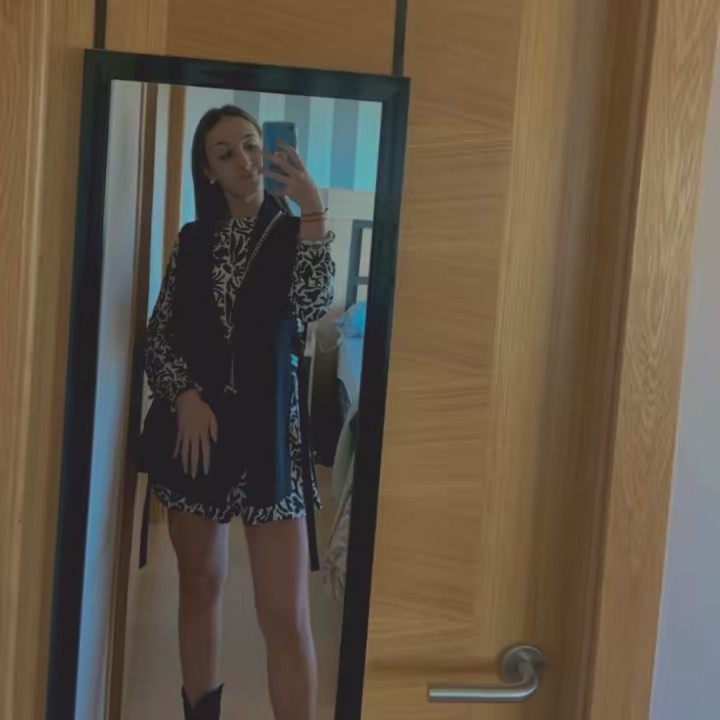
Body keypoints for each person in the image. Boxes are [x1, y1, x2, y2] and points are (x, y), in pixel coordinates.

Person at [143, 105, 335, 720]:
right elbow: (159, 336)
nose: (245, 161)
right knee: (199, 585)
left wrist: (312, 208)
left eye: (252, 145)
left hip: (272, 437)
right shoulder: (193, 240)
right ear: (208, 170)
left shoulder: (294, 230)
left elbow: (312, 301)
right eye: (225, 153)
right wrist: (185, 396)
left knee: (285, 615)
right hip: (198, 434)